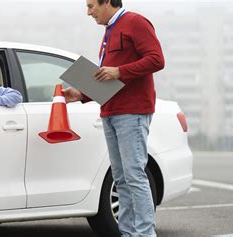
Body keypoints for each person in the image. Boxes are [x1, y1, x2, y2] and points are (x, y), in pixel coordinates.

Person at [63, 0, 165, 236]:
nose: (89, 13)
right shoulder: (110, 30)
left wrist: (120, 71)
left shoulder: (135, 22)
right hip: (110, 111)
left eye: (91, 6)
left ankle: (145, 233)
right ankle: (128, 232)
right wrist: (81, 94)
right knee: (121, 178)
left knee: (134, 175)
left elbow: (157, 59)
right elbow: (107, 78)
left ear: (107, 1)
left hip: (132, 111)